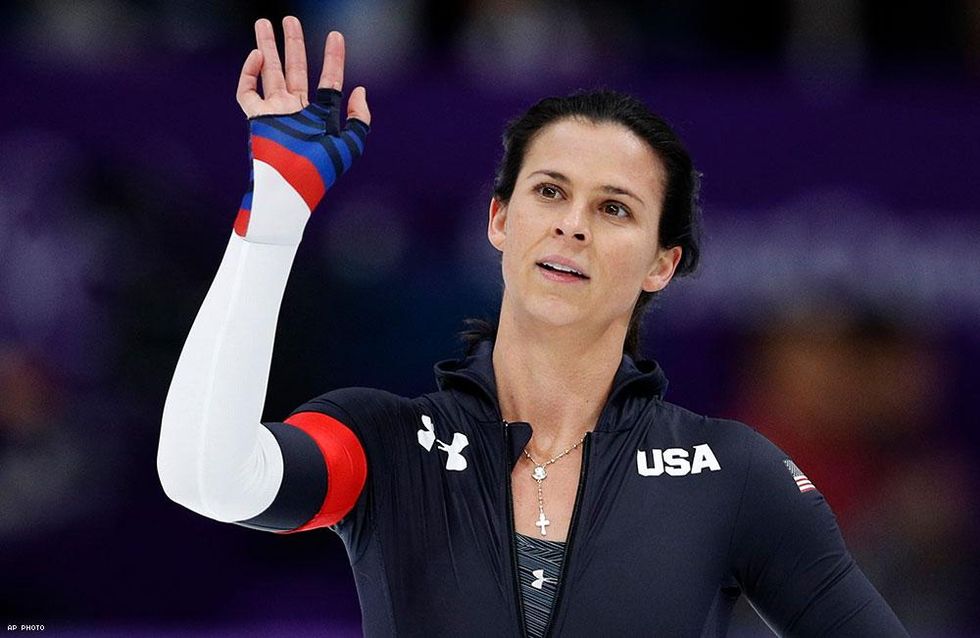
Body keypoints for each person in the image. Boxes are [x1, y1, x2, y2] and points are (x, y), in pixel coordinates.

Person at [157, 16, 909, 637]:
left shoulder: (731, 473)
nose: (572, 226)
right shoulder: (383, 445)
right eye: (550, 191)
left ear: (662, 264)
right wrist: (275, 217)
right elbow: (206, 478)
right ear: (500, 220)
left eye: (614, 208)